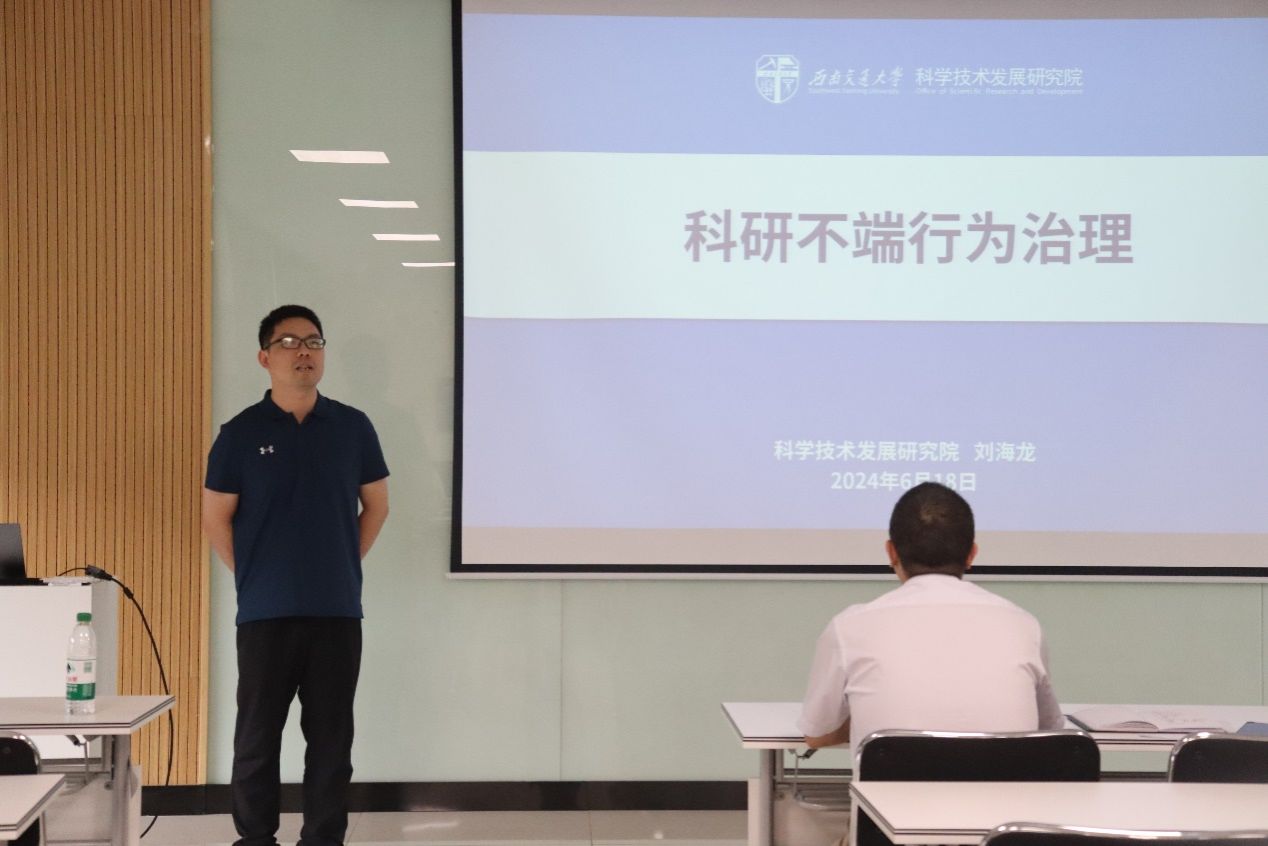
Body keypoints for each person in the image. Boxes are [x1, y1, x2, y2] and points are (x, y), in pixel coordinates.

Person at [202, 304, 390, 846]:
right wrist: (254, 575)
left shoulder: (353, 427)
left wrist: (344, 562)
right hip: (265, 612)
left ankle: (323, 838)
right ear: (265, 358)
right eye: (288, 342)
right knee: (256, 739)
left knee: (331, 739)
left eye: (313, 341)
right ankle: (255, 838)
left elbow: (377, 506)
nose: (303, 352)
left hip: (336, 610)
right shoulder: (239, 433)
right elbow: (215, 517)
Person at [798, 482, 1063, 752]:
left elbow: (817, 735)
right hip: (1004, 782)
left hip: (893, 782)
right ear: (972, 554)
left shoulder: (849, 628)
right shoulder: (1023, 625)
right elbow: (1047, 729)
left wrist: (867, 714)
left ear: (891, 552)